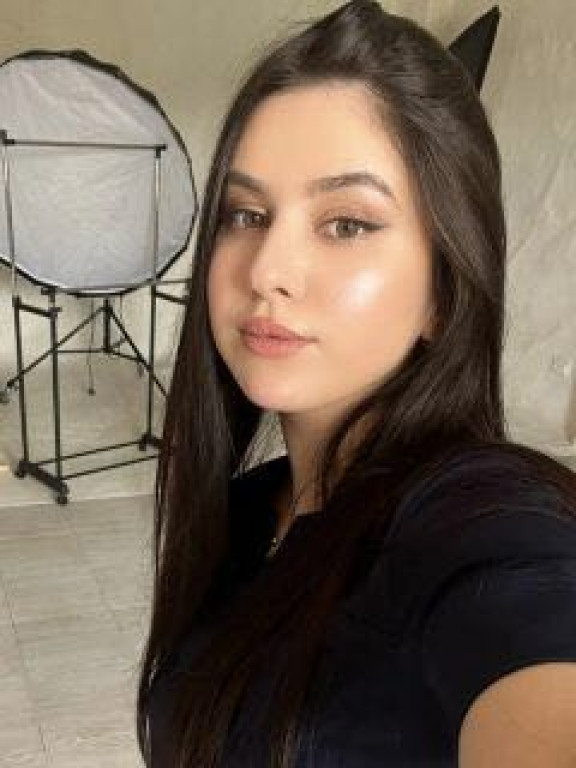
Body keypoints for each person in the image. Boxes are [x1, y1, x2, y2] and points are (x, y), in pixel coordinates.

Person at [136, 2, 576, 766]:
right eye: (245, 214)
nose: (267, 271)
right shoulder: (249, 513)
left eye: (346, 224)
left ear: (446, 285)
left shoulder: (481, 520)